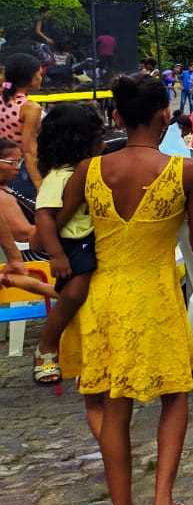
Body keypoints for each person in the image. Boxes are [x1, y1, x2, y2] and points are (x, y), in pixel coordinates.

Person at [56, 73, 193, 505]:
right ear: (166, 114)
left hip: (103, 297)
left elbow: (57, 226)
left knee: (113, 406)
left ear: (117, 117)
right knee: (174, 397)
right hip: (155, 294)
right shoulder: (186, 172)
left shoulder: (89, 170)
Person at [30, 104, 104, 385]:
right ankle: (47, 345)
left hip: (91, 239)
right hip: (73, 243)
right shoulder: (60, 176)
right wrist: (57, 255)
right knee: (73, 292)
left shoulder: (94, 169)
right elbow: (45, 218)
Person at [0, 53, 45, 200]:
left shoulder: (3, 92)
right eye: (39, 74)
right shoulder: (30, 108)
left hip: (3, 159)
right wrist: (39, 184)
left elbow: (7, 83)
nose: (41, 78)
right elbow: (29, 151)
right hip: (19, 168)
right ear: (30, 80)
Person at [0, 138, 36, 244]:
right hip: (33, 257)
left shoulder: (7, 188)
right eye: (12, 162)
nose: (17, 167)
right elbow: (25, 234)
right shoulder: (3, 198)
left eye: (19, 162)